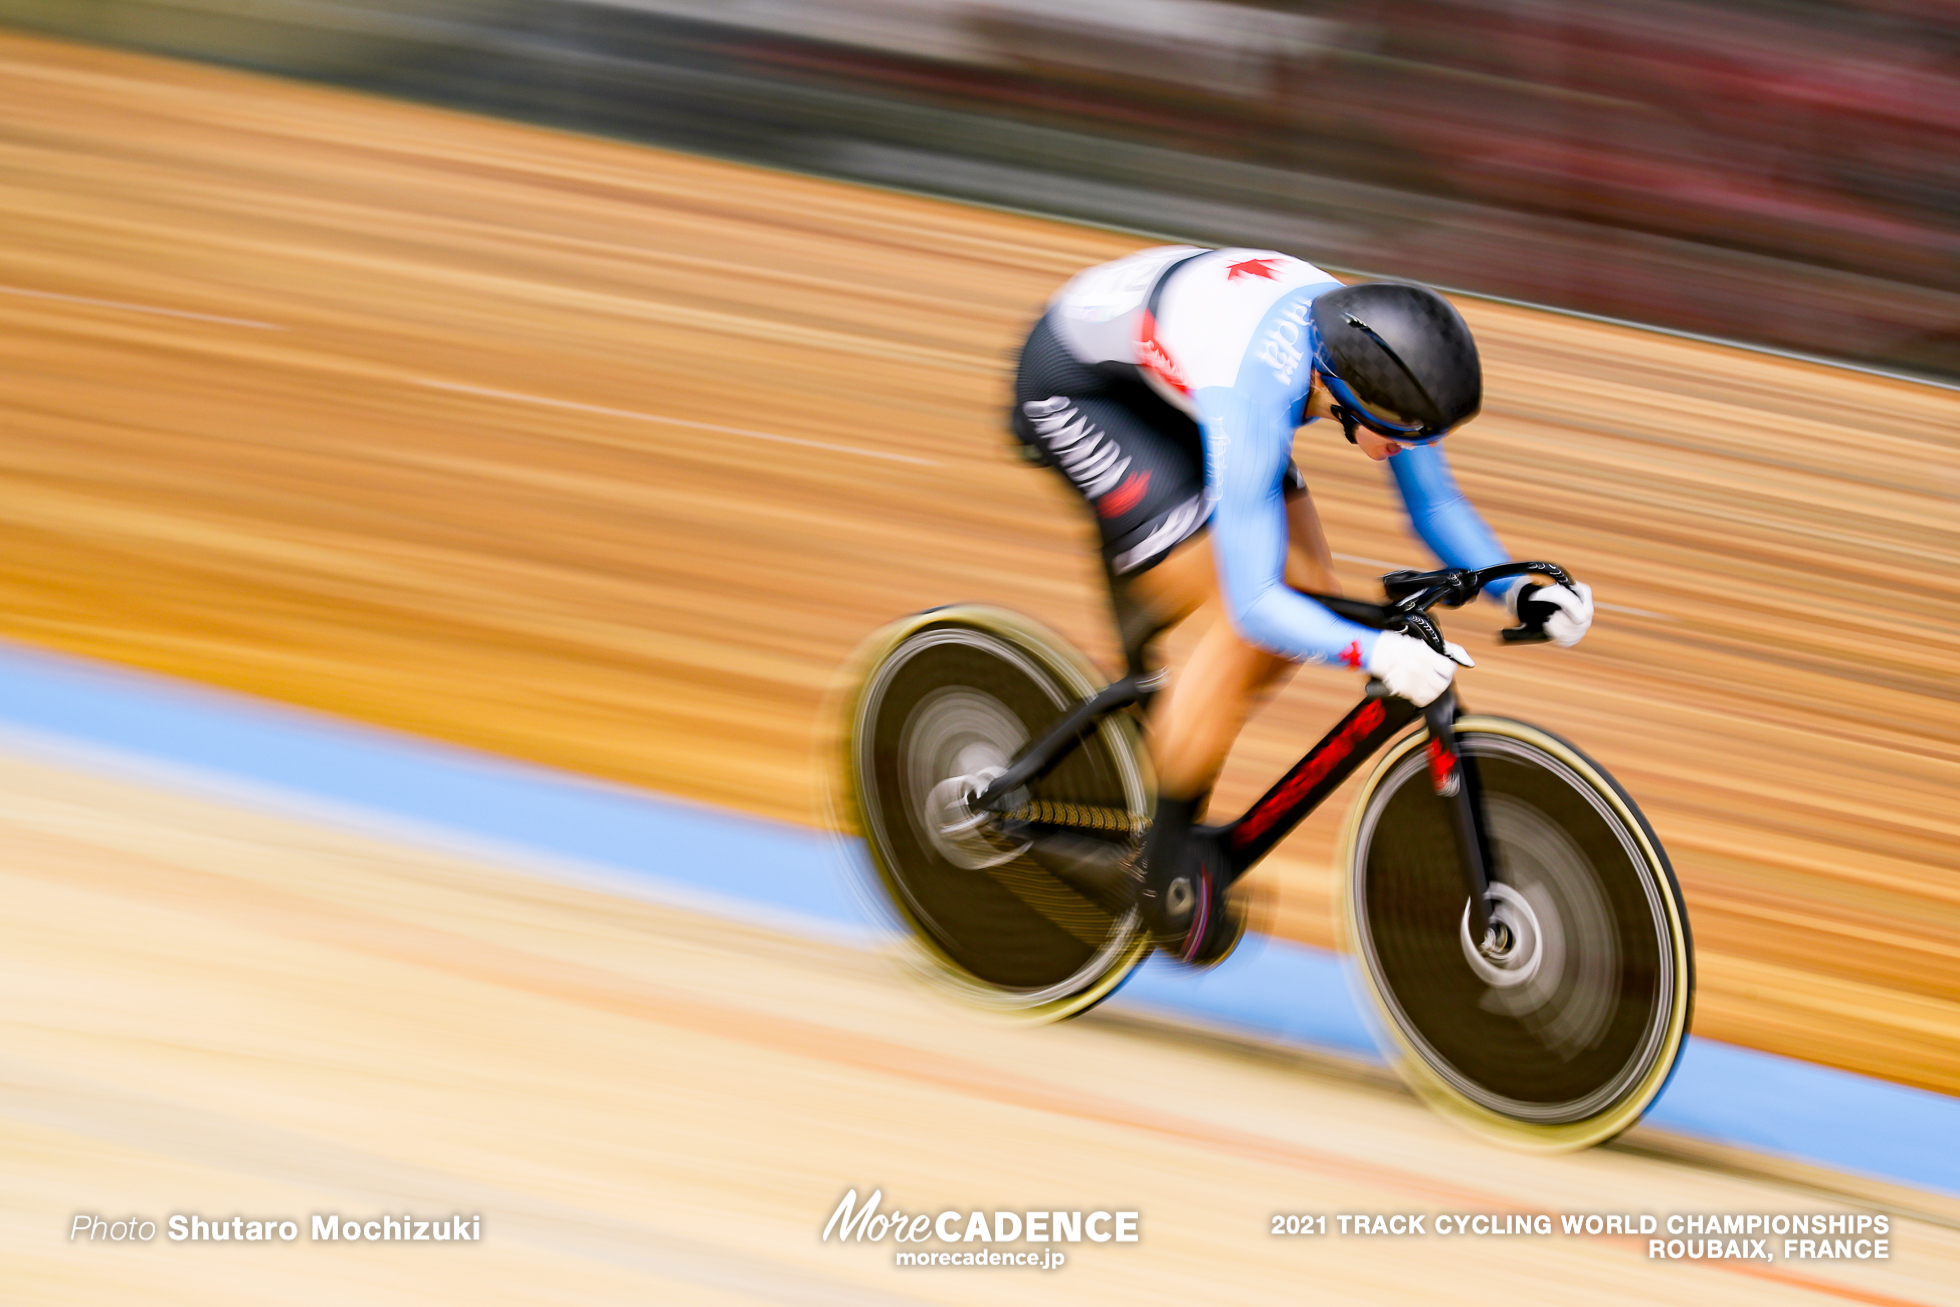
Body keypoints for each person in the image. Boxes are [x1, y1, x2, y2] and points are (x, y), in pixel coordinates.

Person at [1009, 245, 1594, 960]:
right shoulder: (1262, 387)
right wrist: (1377, 650)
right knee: (1251, 620)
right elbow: (1257, 603)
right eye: (1408, 435)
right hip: (1084, 387)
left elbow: (1435, 503)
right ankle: (1161, 868)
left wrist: (1518, 589)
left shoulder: (1368, 354)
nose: (1417, 448)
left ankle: (1174, 716)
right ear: (1345, 394)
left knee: (1308, 595)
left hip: (1177, 373)